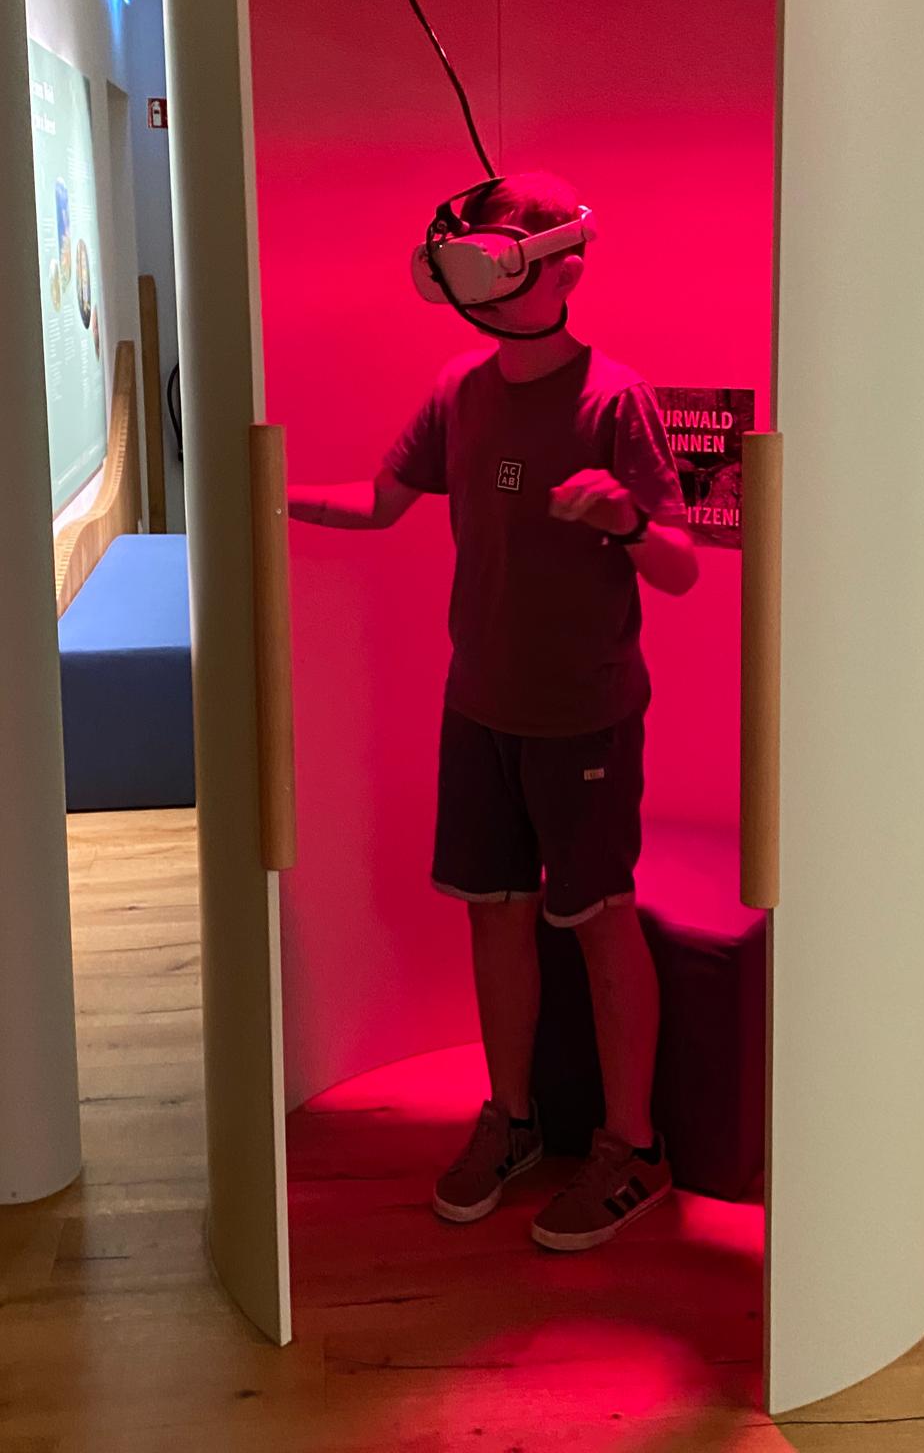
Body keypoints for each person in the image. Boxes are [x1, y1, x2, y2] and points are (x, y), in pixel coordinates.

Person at [288, 171, 698, 1252]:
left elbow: (681, 566)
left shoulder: (616, 399)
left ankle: (633, 1147)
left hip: (586, 713)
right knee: (495, 913)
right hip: (478, 706)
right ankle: (511, 1118)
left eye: (497, 259)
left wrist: (625, 523)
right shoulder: (458, 391)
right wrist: (267, 490)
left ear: (564, 271)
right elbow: (381, 503)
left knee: (601, 920)